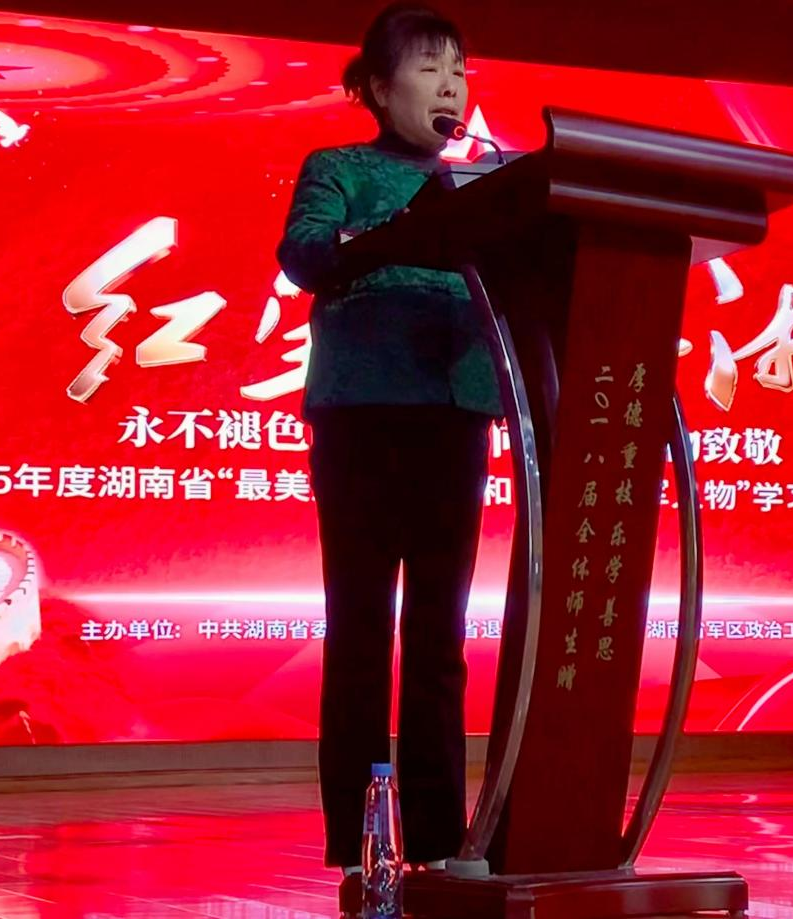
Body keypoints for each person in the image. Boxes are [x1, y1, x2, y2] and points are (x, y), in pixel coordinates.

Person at [275, 3, 502, 876]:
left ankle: (442, 841)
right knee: (362, 629)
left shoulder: (487, 184)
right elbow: (306, 254)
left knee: (440, 638)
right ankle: (361, 838)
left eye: (459, 71)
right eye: (429, 68)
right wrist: (407, 229)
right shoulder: (338, 169)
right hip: (364, 419)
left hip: (456, 414)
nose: (450, 86)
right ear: (376, 87)